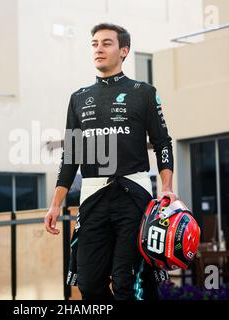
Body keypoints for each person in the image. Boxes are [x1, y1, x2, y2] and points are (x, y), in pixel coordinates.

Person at [44, 22, 177, 300]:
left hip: (135, 195)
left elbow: (163, 142)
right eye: (94, 44)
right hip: (93, 197)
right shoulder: (78, 98)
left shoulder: (144, 92)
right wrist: (56, 204)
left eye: (106, 43)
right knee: (89, 283)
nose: (98, 49)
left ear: (124, 51)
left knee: (126, 281)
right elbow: (71, 155)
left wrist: (165, 187)